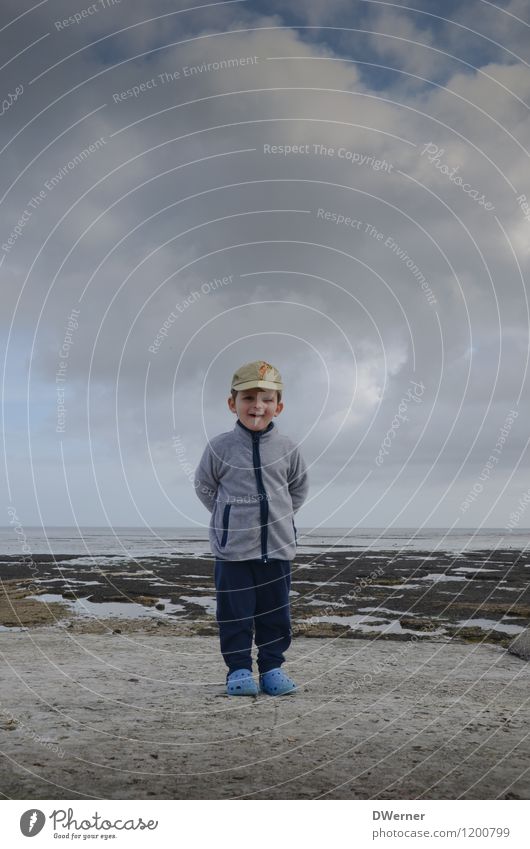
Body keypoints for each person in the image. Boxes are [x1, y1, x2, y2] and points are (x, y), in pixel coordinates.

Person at [194, 360, 309, 696]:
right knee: (235, 615)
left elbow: (298, 489)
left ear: (279, 406)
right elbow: (204, 486)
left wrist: (279, 518)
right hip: (233, 553)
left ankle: (272, 669)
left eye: (267, 399)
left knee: (276, 615)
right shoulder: (220, 447)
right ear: (233, 403)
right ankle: (239, 670)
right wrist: (228, 519)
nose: (257, 406)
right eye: (248, 398)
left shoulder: (288, 448)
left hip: (277, 550)